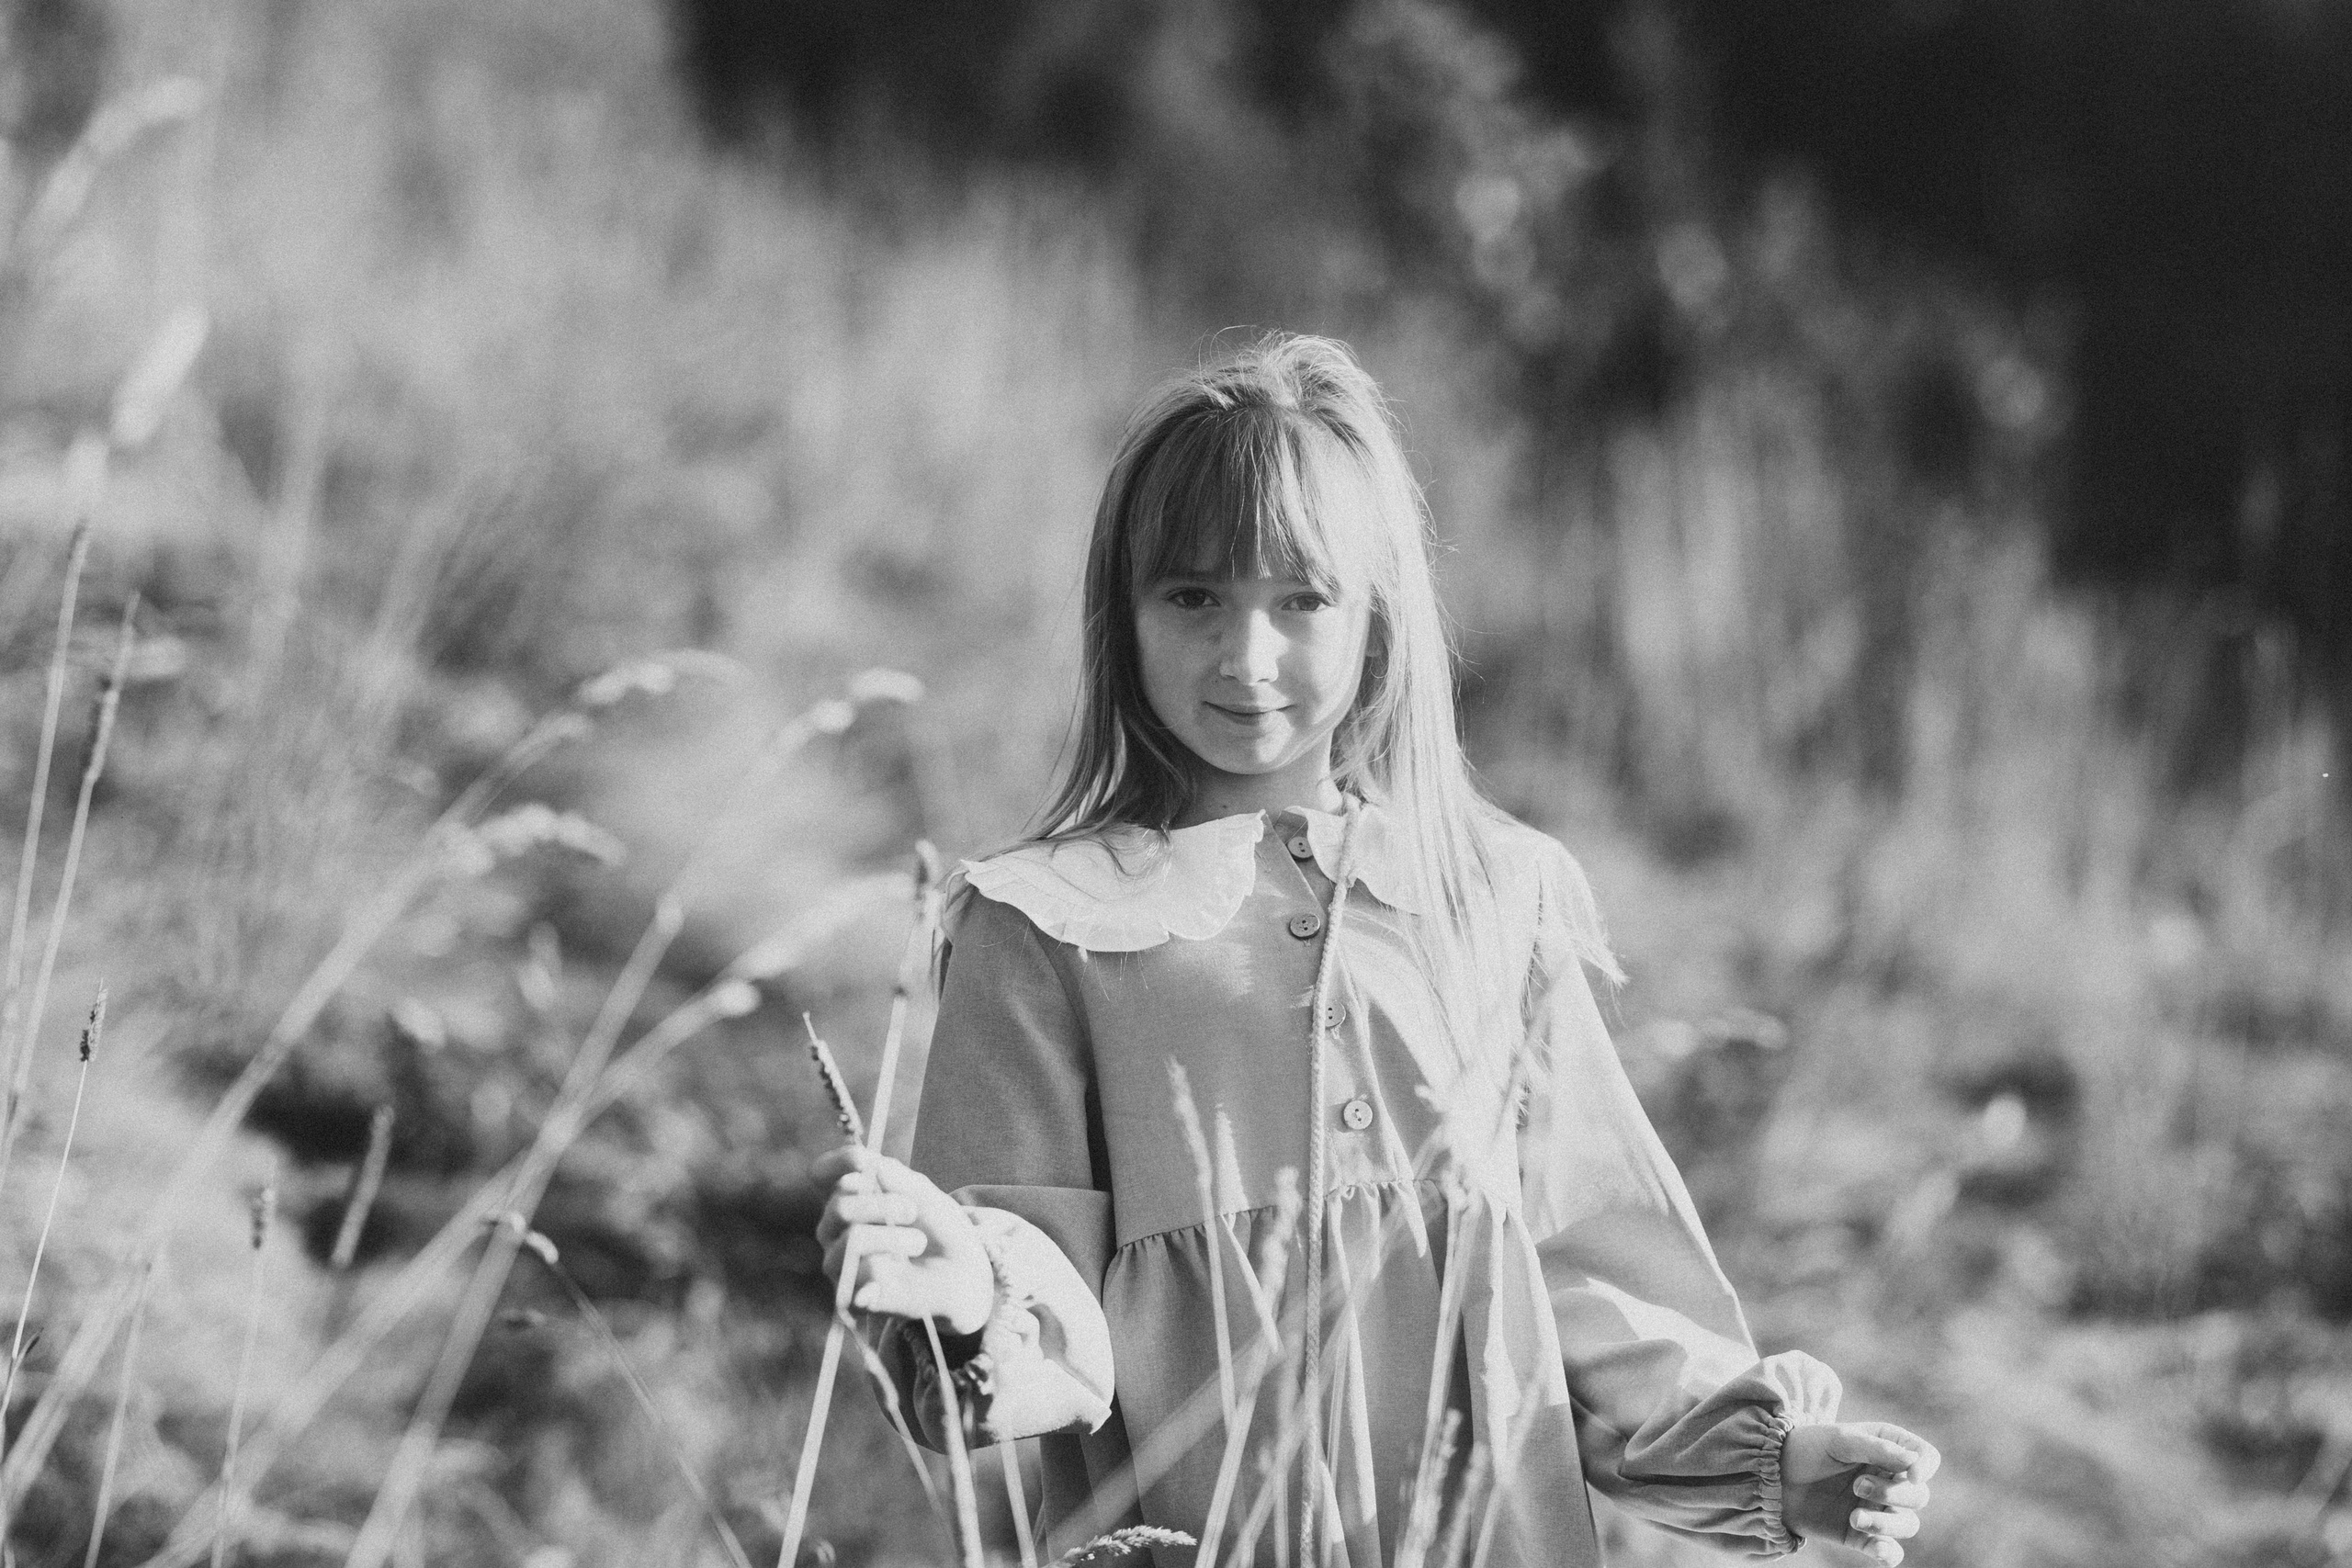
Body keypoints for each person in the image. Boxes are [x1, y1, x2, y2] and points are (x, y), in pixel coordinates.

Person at [813, 333, 1938, 1568]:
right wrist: (969, 1290)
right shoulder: (1044, 923)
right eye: (1193, 596)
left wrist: (1780, 1466)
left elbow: (1587, 1278)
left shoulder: (1489, 896)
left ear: (1379, 615)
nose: (1247, 656)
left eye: (1302, 600)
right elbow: (1041, 1311)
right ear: (1121, 615)